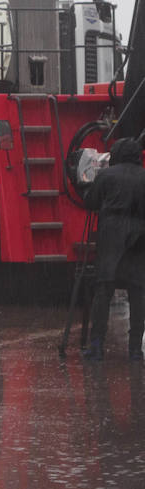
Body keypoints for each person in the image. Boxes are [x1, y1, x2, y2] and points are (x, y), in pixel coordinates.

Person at [81, 136, 145, 361]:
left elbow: (90, 203)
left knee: (103, 290)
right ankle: (135, 349)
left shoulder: (106, 175)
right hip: (138, 238)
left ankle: (97, 345)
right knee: (138, 293)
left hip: (111, 237)